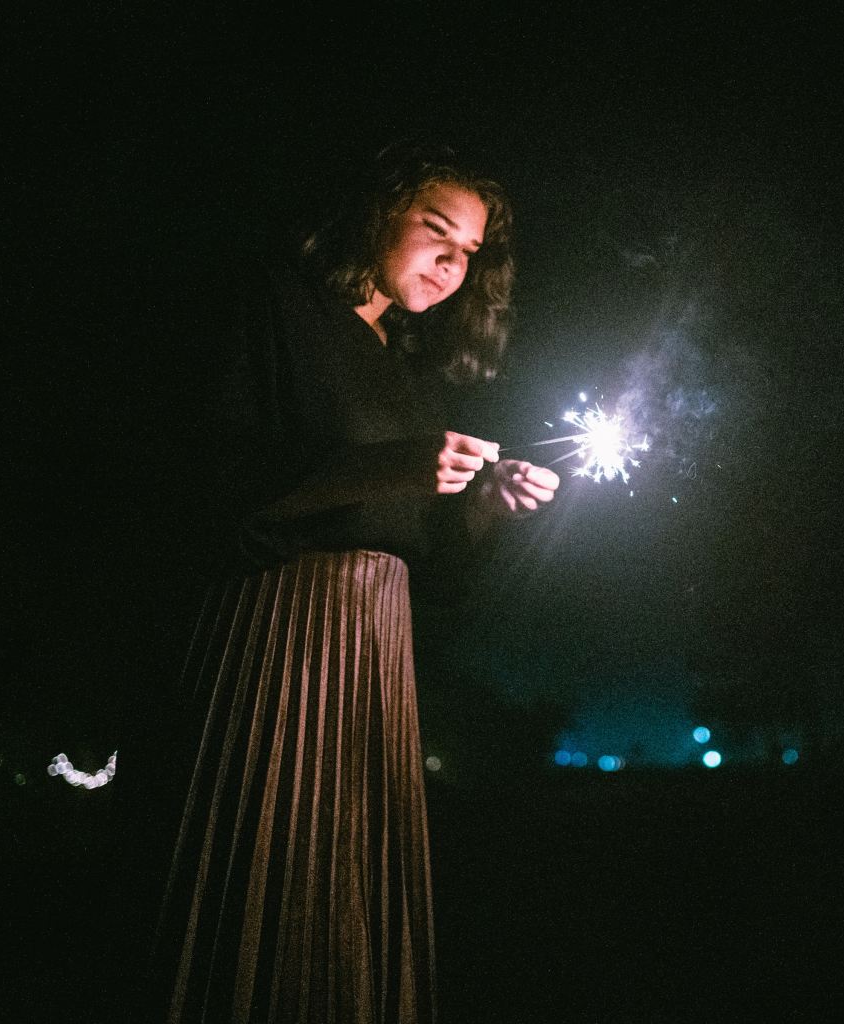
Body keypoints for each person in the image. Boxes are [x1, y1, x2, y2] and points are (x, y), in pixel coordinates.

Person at [140, 141, 559, 1023]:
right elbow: (214, 482)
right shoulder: (275, 305)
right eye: (435, 232)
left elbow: (430, 571)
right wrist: (388, 468)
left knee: (350, 887)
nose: (451, 264)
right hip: (282, 632)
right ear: (377, 213)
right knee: (268, 868)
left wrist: (486, 509)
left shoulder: (404, 369)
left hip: (378, 650)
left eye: (470, 254)